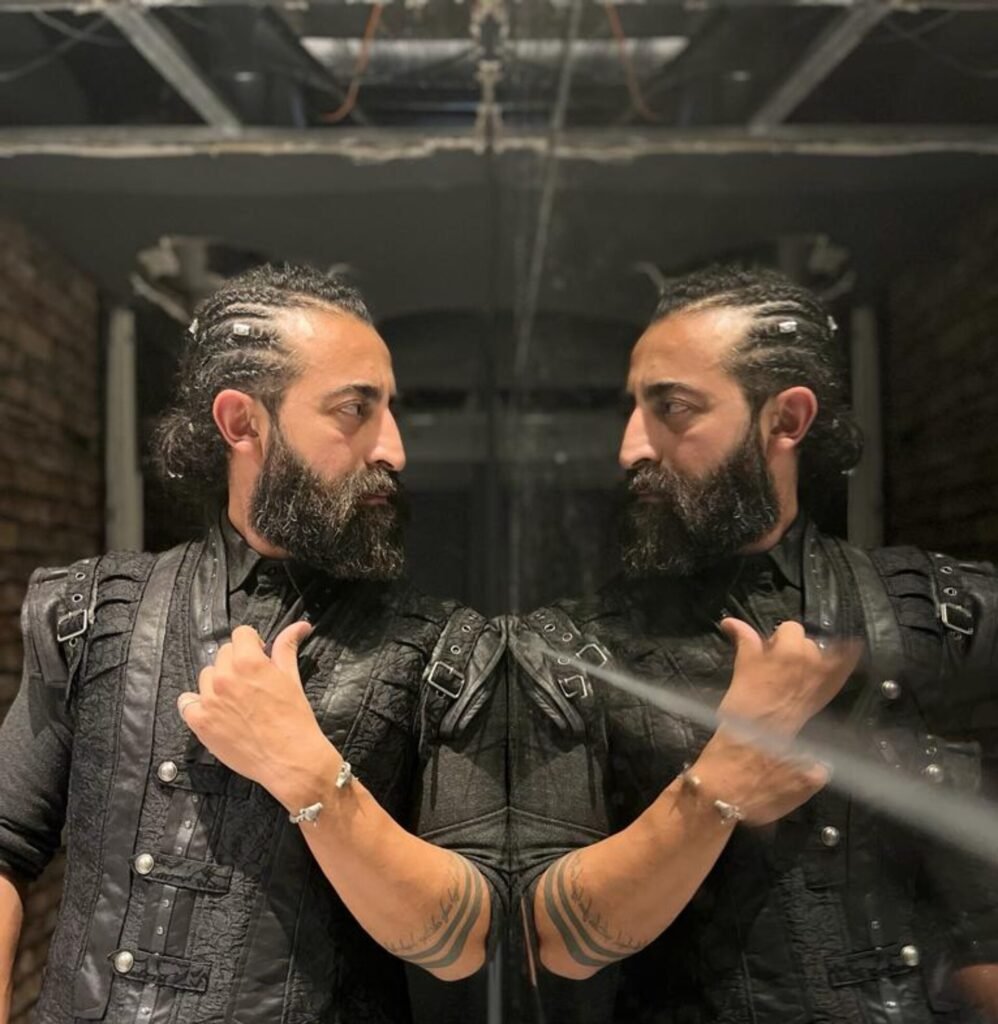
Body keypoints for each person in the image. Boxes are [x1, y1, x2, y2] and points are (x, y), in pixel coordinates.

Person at [0, 264, 506, 1024]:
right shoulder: (94, 613)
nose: (394, 450)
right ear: (242, 423)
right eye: (355, 410)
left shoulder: (442, 652)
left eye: (390, 411)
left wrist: (306, 772)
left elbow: (461, 943)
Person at [509, 264, 998, 1023]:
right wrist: (725, 776)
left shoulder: (935, 611)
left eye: (672, 407)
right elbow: (553, 943)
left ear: (785, 420)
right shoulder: (569, 650)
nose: (631, 447)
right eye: (632, 407)